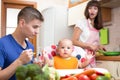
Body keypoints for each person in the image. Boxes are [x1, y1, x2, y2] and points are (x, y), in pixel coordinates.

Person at [0, 6, 44, 80]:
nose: (37, 32)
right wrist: (19, 61)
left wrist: (37, 67)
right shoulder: (2, 44)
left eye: (38, 28)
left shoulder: (30, 46)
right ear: (22, 23)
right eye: (34, 27)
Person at [72, 0, 105, 68]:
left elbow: (95, 43)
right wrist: (89, 46)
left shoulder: (97, 26)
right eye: (90, 8)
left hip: (92, 57)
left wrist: (99, 46)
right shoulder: (81, 22)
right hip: (82, 57)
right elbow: (74, 41)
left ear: (98, 11)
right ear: (87, 10)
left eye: (95, 8)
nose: (92, 10)